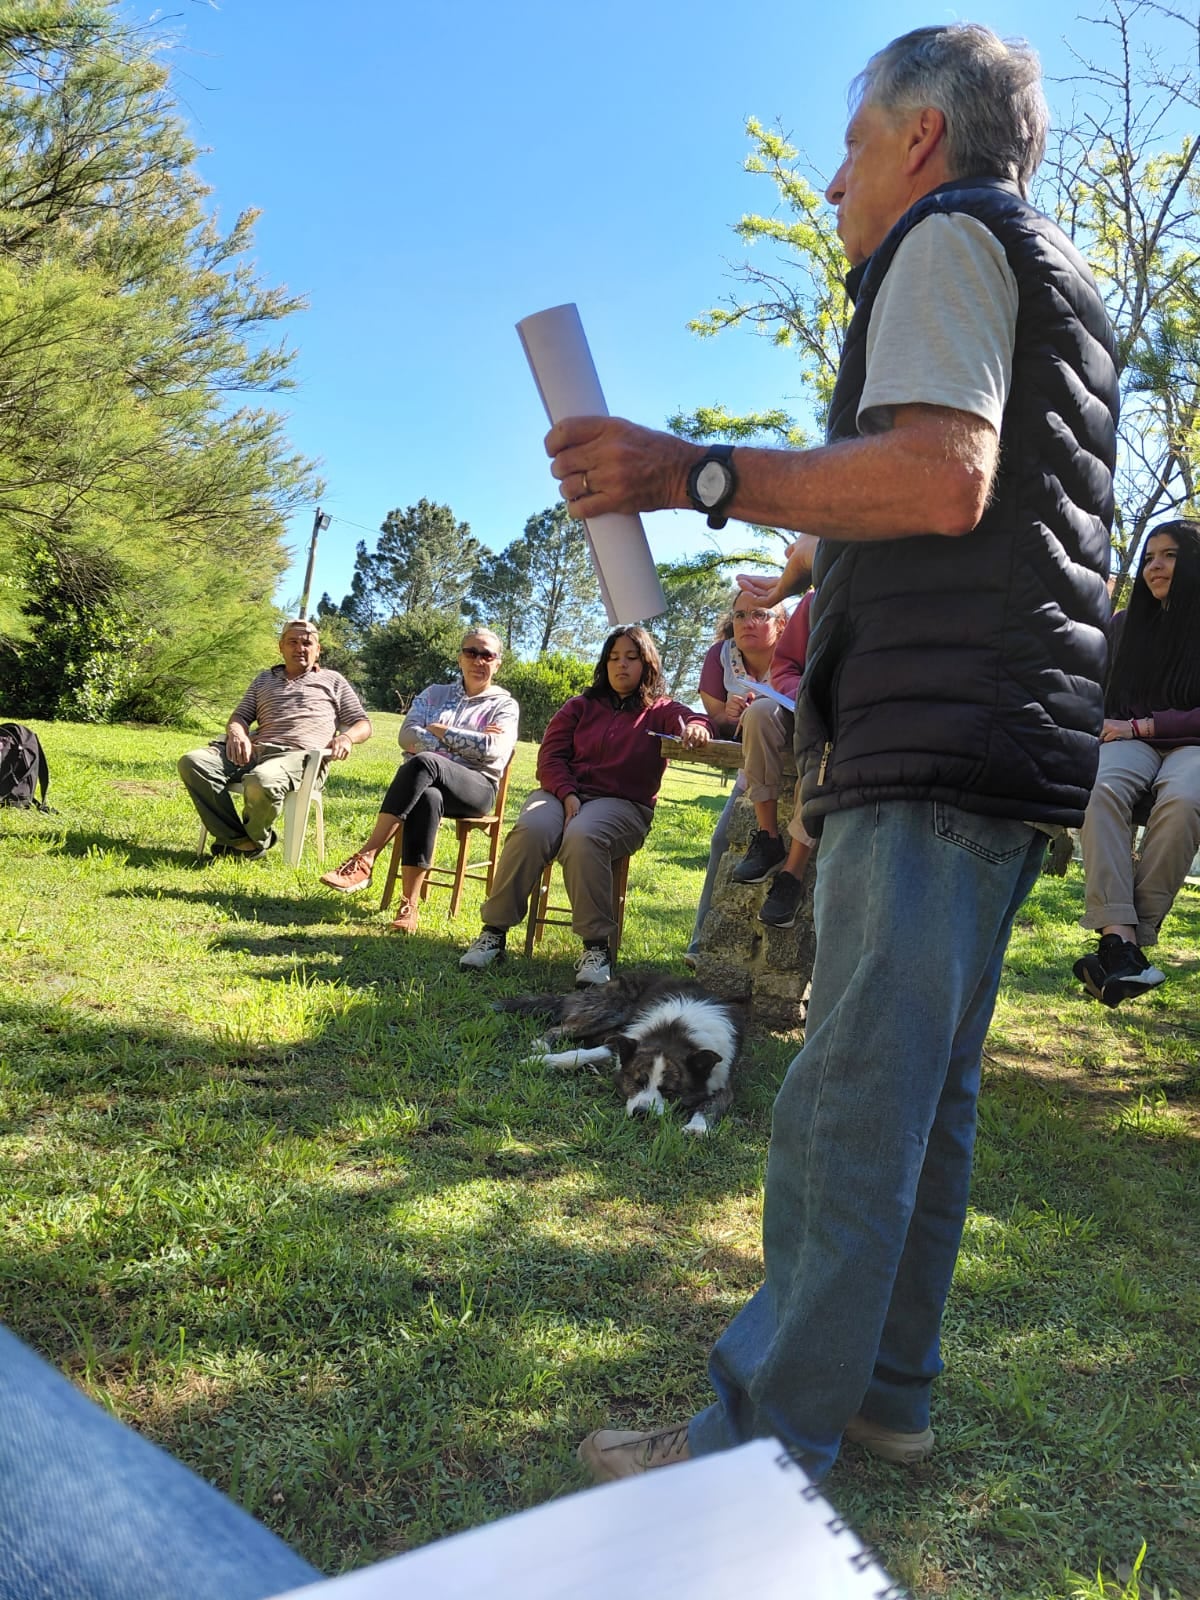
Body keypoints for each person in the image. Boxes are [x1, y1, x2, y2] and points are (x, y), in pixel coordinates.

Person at [548, 23, 1118, 1480]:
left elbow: (942, 476)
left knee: (854, 1093)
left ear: (922, 136)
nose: (832, 180)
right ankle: (882, 1401)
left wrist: (696, 474)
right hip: (1000, 742)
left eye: (854, 142)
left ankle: (757, 1442)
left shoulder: (943, 239)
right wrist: (814, 571)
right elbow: (981, 510)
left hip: (937, 750)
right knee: (922, 1089)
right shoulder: (1039, 265)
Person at [459, 626, 712, 986]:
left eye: (630, 657)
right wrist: (566, 793)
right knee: (532, 828)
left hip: (623, 805)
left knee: (583, 834)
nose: (620, 665)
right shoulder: (580, 706)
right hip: (561, 794)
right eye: (613, 658)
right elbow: (549, 757)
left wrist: (698, 727)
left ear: (647, 663)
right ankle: (494, 934)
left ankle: (596, 948)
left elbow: (694, 720)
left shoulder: (661, 710)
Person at [1072, 519, 1200, 1006]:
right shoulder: (1126, 624)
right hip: (1128, 738)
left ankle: (1121, 943)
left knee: (1185, 799)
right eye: (1148, 557)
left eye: (1168, 555)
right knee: (1099, 788)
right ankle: (1124, 943)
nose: (1155, 566)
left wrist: (1146, 727)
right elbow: (1098, 690)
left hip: (1189, 744)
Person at [318, 628, 518, 933]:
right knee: (427, 796)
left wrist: (441, 732)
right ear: (459, 658)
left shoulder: (504, 705)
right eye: (471, 653)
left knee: (425, 761)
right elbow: (406, 736)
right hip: (431, 783)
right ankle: (408, 907)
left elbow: (492, 751)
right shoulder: (434, 693)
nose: (478, 660)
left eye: (486, 655)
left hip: (476, 788)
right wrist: (464, 743)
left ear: (497, 663)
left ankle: (367, 856)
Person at [178, 620, 371, 858]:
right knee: (193, 762)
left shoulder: (333, 681)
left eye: (307, 643)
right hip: (255, 751)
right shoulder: (263, 679)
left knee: (261, 780)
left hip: (301, 758)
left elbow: (363, 723)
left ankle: (252, 840)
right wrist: (237, 733)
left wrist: (348, 738)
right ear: (281, 647)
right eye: (292, 642)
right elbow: (240, 716)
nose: (299, 648)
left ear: (317, 650)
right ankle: (242, 841)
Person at [685, 587, 787, 962]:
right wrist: (726, 717)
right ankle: (699, 944)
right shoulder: (720, 657)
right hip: (754, 768)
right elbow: (718, 726)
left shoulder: (799, 651)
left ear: (782, 622)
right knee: (722, 841)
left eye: (758, 613)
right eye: (739, 615)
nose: (746, 623)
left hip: (800, 764)